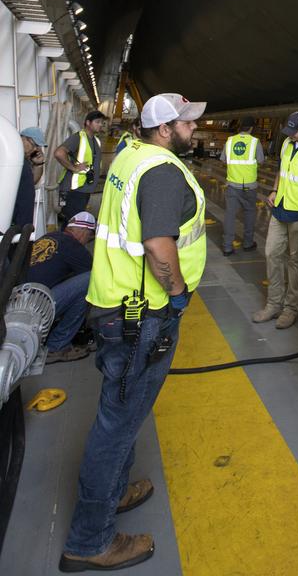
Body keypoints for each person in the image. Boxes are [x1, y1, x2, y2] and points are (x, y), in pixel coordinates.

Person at [60, 92, 207, 573]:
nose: (194, 129)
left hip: (116, 307)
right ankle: (89, 541)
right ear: (165, 130)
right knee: (116, 426)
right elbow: (158, 245)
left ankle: (116, 492)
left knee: (122, 417)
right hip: (141, 315)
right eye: (186, 123)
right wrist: (180, 294)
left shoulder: (129, 155)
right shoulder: (162, 171)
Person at [252, 111, 298, 330]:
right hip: (280, 209)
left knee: (296, 263)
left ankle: (291, 309)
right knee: (271, 253)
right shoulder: (286, 143)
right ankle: (273, 304)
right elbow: (282, 170)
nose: (291, 135)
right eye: (289, 131)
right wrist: (274, 190)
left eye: (295, 131)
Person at [29, 211, 96, 363]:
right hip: (37, 307)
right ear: (82, 231)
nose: (87, 242)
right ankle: (57, 346)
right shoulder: (74, 247)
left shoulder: (47, 237)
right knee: (90, 279)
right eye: (89, 237)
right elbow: (97, 280)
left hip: (20, 300)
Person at [55, 110, 106, 223]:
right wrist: (74, 168)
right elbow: (59, 153)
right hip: (73, 189)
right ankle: (66, 239)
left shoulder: (95, 140)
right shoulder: (78, 138)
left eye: (102, 122)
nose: (100, 125)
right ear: (88, 122)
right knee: (73, 222)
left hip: (83, 189)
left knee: (72, 220)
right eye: (97, 122)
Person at [221, 125, 264, 254]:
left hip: (233, 184)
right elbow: (261, 160)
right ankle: (248, 243)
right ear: (251, 128)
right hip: (249, 185)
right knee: (249, 213)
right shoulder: (255, 142)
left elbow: (223, 159)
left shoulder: (230, 141)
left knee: (230, 214)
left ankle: (227, 247)